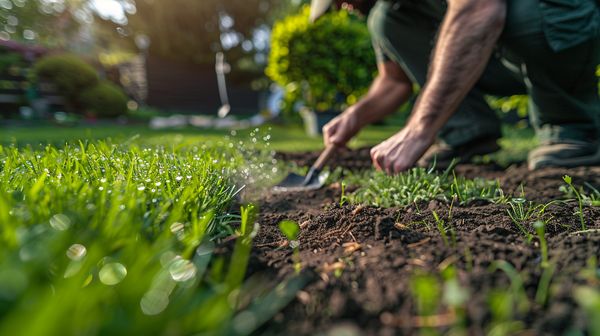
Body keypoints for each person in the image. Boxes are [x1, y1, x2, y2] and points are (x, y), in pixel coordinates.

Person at [313, 0, 600, 173]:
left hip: (564, 23)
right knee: (385, 21)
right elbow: (394, 81)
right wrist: (356, 115)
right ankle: (467, 130)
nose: (340, 6)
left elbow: (480, 10)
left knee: (522, 10)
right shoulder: (394, 9)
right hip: (500, 56)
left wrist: (418, 129)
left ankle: (569, 125)